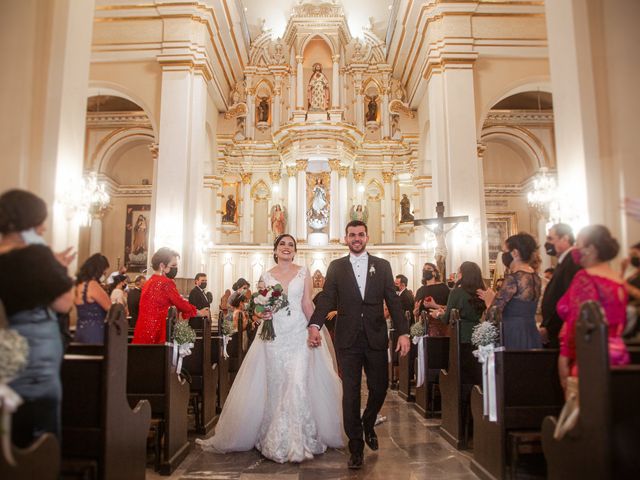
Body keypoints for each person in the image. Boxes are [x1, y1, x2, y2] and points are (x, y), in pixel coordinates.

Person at [197, 233, 343, 463]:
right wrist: (260, 312)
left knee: (297, 381)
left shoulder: (303, 272)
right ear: (275, 250)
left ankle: (298, 439)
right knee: (277, 383)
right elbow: (257, 307)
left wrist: (315, 329)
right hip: (274, 334)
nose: (286, 248)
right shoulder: (265, 276)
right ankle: (276, 435)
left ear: (295, 251)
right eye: (282, 244)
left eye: (291, 245)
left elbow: (306, 303)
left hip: (298, 332)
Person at [308, 220, 411, 469]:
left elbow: (393, 302)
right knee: (351, 393)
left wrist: (403, 333)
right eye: (352, 235)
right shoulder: (336, 267)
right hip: (348, 339)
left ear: (367, 237)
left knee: (380, 387)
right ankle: (356, 446)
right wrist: (314, 325)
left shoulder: (383, 266)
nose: (356, 238)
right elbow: (327, 299)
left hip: (375, 336)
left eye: (361, 234)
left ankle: (368, 421)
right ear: (346, 238)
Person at [0, 189, 74, 447]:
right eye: (41, 221)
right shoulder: (34, 256)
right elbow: (64, 303)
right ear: (29, 221)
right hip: (31, 358)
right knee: (36, 438)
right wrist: (60, 268)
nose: (43, 228)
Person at [557, 225, 630, 389]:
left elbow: (579, 323)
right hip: (618, 354)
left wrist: (565, 357)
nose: (575, 248)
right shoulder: (618, 280)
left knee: (588, 410)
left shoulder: (585, 278)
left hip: (591, 356)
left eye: (578, 243)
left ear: (590, 248)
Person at [479, 233, 542, 349]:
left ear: (515, 253)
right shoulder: (536, 278)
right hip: (531, 329)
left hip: (513, 332)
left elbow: (493, 314)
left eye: (504, 251)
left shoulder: (513, 279)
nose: (503, 255)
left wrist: (489, 302)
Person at [132, 248, 208, 344]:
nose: (176, 269)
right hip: (157, 332)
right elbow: (181, 304)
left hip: (142, 331)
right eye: (173, 265)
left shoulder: (148, 282)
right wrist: (199, 313)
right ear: (162, 266)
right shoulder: (165, 283)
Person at [540, 223, 581, 347]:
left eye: (550, 238)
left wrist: (549, 327)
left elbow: (567, 297)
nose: (547, 243)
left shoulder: (572, 261)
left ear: (565, 238)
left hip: (560, 329)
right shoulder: (564, 260)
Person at [431, 262, 486, 343]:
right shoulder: (482, 292)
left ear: (464, 274)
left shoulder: (457, 292)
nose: (457, 274)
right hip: (479, 333)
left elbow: (446, 319)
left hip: (461, 334)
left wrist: (438, 314)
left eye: (459, 272)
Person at [74, 253, 112, 344]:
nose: (104, 274)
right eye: (104, 271)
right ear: (98, 270)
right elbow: (110, 308)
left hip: (81, 329)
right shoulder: (92, 285)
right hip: (95, 331)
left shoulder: (79, 284)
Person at [414, 262, 450, 337]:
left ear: (434, 273)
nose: (425, 271)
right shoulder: (420, 290)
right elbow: (416, 313)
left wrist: (434, 305)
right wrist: (416, 311)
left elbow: (449, 308)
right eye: (424, 269)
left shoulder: (443, 288)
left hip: (439, 324)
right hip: (423, 325)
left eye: (429, 269)